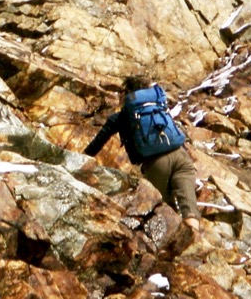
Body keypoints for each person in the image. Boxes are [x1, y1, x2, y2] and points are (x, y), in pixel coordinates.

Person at [85, 75, 200, 234]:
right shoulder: (158, 106)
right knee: (189, 209)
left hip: (156, 163)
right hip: (181, 156)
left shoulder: (121, 117)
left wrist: (81, 159)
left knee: (165, 209)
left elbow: (97, 143)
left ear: (127, 94)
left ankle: (172, 250)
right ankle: (195, 243)